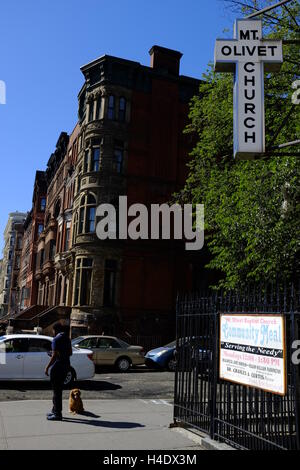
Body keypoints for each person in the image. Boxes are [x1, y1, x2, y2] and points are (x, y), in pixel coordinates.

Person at [45, 322, 72, 421]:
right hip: (66, 366)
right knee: (58, 390)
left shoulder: (56, 339)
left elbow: (54, 356)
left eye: (52, 330)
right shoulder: (67, 338)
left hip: (57, 367)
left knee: (56, 391)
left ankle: (57, 414)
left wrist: (47, 367)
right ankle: (54, 410)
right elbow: (70, 353)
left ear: (55, 330)